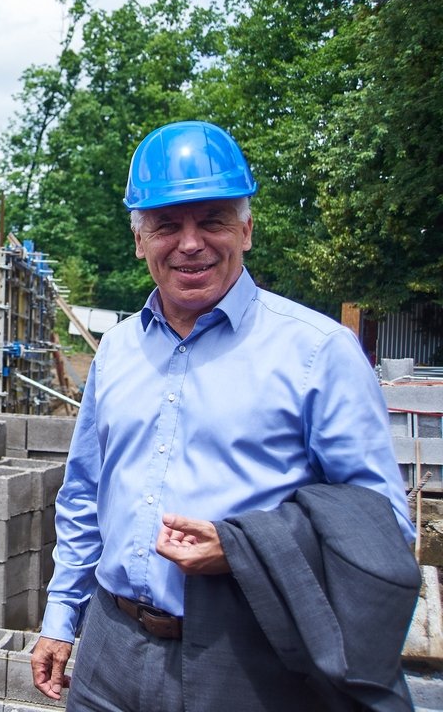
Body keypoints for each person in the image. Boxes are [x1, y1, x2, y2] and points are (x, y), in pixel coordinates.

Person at [31, 120, 415, 710]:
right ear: (140, 239)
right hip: (108, 648)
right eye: (166, 224)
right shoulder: (118, 349)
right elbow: (84, 493)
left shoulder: (317, 352)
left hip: (247, 657)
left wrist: (245, 548)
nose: (190, 243)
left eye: (211, 219)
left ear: (247, 229)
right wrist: (62, 615)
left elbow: (382, 528)